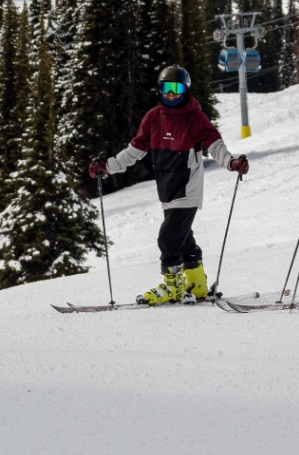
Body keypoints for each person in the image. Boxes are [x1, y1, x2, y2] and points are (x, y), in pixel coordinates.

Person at [91, 65, 249, 305]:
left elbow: (215, 145)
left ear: (186, 90)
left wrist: (231, 162)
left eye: (176, 88)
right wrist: (108, 166)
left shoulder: (195, 118)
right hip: (167, 190)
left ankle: (173, 287)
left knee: (168, 239)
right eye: (166, 88)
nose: (171, 94)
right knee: (183, 239)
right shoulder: (154, 117)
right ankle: (197, 285)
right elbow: (134, 150)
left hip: (188, 189)